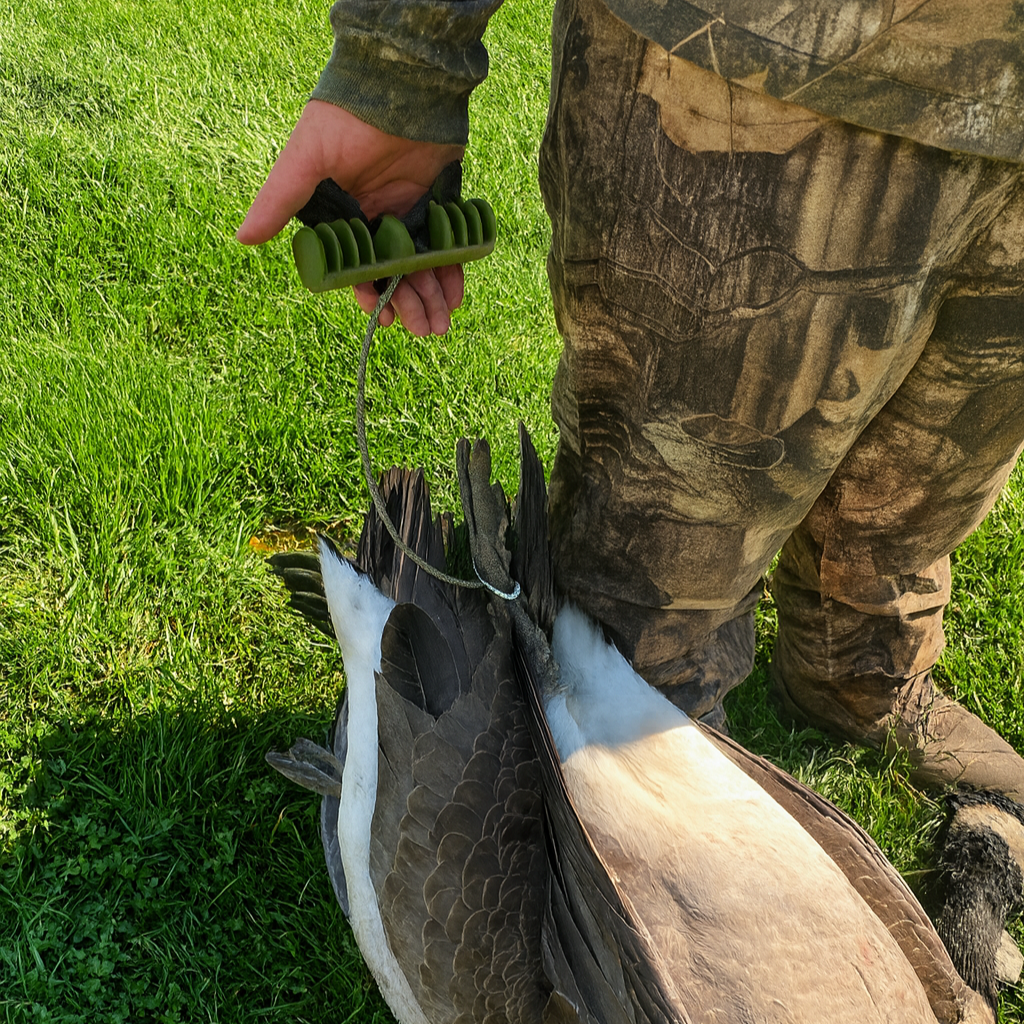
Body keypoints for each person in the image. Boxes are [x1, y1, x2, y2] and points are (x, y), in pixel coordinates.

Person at [238, 0, 1024, 800]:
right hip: (752, 64)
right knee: (659, 551)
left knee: (929, 472)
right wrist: (400, 64)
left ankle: (859, 669)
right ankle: (632, 734)